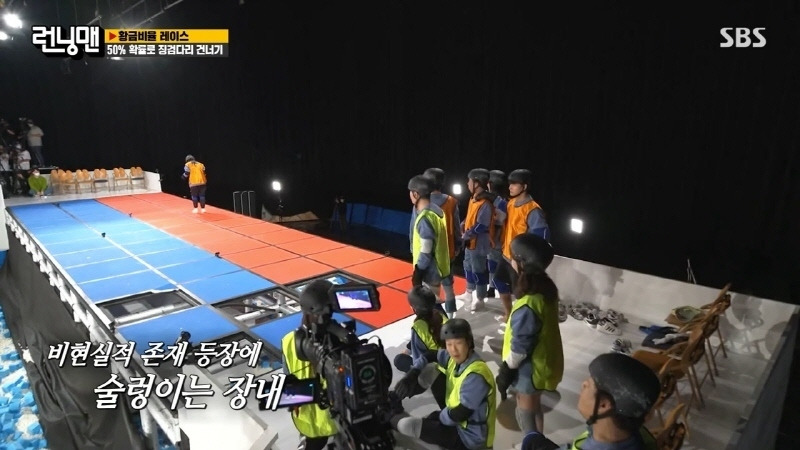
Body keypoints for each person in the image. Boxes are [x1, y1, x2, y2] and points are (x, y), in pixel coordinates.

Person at [390, 318, 496, 450]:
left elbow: (460, 414)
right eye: (449, 344)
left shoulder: (476, 375)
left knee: (408, 425)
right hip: (458, 421)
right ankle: (397, 396)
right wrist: (412, 373)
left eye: (458, 343)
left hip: (470, 439)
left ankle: (388, 417)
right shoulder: (455, 359)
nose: (454, 350)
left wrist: (439, 417)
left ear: (469, 343)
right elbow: (430, 355)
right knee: (430, 370)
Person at [496, 233, 564, 436]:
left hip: (530, 369)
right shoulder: (545, 290)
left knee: (525, 411)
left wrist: (506, 370)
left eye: (513, 258)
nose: (511, 262)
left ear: (522, 263)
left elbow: (520, 348)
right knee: (535, 406)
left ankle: (532, 443)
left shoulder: (529, 304)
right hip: (544, 364)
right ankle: (537, 440)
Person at [520, 353, 660, 450]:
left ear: (603, 405)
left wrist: (529, 428)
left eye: (588, 385)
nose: (583, 385)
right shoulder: (635, 432)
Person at [281, 279, 338, 450]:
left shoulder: (289, 341)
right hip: (325, 421)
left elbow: (287, 388)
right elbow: (288, 388)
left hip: (317, 422)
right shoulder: (339, 340)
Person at [494, 169, 550, 322]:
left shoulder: (533, 210)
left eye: (514, 184)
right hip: (506, 255)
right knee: (499, 282)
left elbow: (540, 239)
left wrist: (525, 262)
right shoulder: (511, 203)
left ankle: (520, 322)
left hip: (519, 261)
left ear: (524, 187)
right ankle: (509, 314)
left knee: (521, 293)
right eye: (509, 183)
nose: (510, 187)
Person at [392, 285, 448, 409]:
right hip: (451, 362)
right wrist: (409, 348)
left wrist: (411, 377)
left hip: (438, 371)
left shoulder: (418, 327)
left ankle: (396, 397)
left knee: (399, 360)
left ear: (414, 308)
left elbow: (420, 360)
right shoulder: (440, 315)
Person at [408, 174, 451, 313]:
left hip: (429, 270)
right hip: (439, 267)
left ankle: (442, 325)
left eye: (410, 192)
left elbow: (426, 248)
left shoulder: (425, 218)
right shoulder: (436, 210)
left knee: (431, 307)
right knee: (433, 304)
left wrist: (419, 271)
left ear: (416, 194)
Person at [423, 168, 460, 316]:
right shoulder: (451, 201)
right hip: (448, 252)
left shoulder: (422, 202)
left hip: (430, 253)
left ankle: (435, 317)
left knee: (431, 288)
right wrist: (457, 246)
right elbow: (456, 228)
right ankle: (451, 316)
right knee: (448, 286)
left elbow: (416, 230)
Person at [457, 168, 494, 312]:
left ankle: (480, 299)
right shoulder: (473, 199)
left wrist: (467, 234)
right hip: (470, 243)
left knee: (479, 270)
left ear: (477, 183)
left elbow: (482, 225)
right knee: (468, 266)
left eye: (470, 181)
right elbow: (470, 217)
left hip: (479, 244)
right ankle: (468, 292)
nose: (467, 183)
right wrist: (464, 223)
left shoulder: (485, 203)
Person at [486, 169, 509, 299]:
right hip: (494, 236)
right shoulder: (502, 200)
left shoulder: (500, 201)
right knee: (493, 262)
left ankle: (494, 287)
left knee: (495, 263)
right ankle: (492, 287)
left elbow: (500, 217)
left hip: (497, 236)